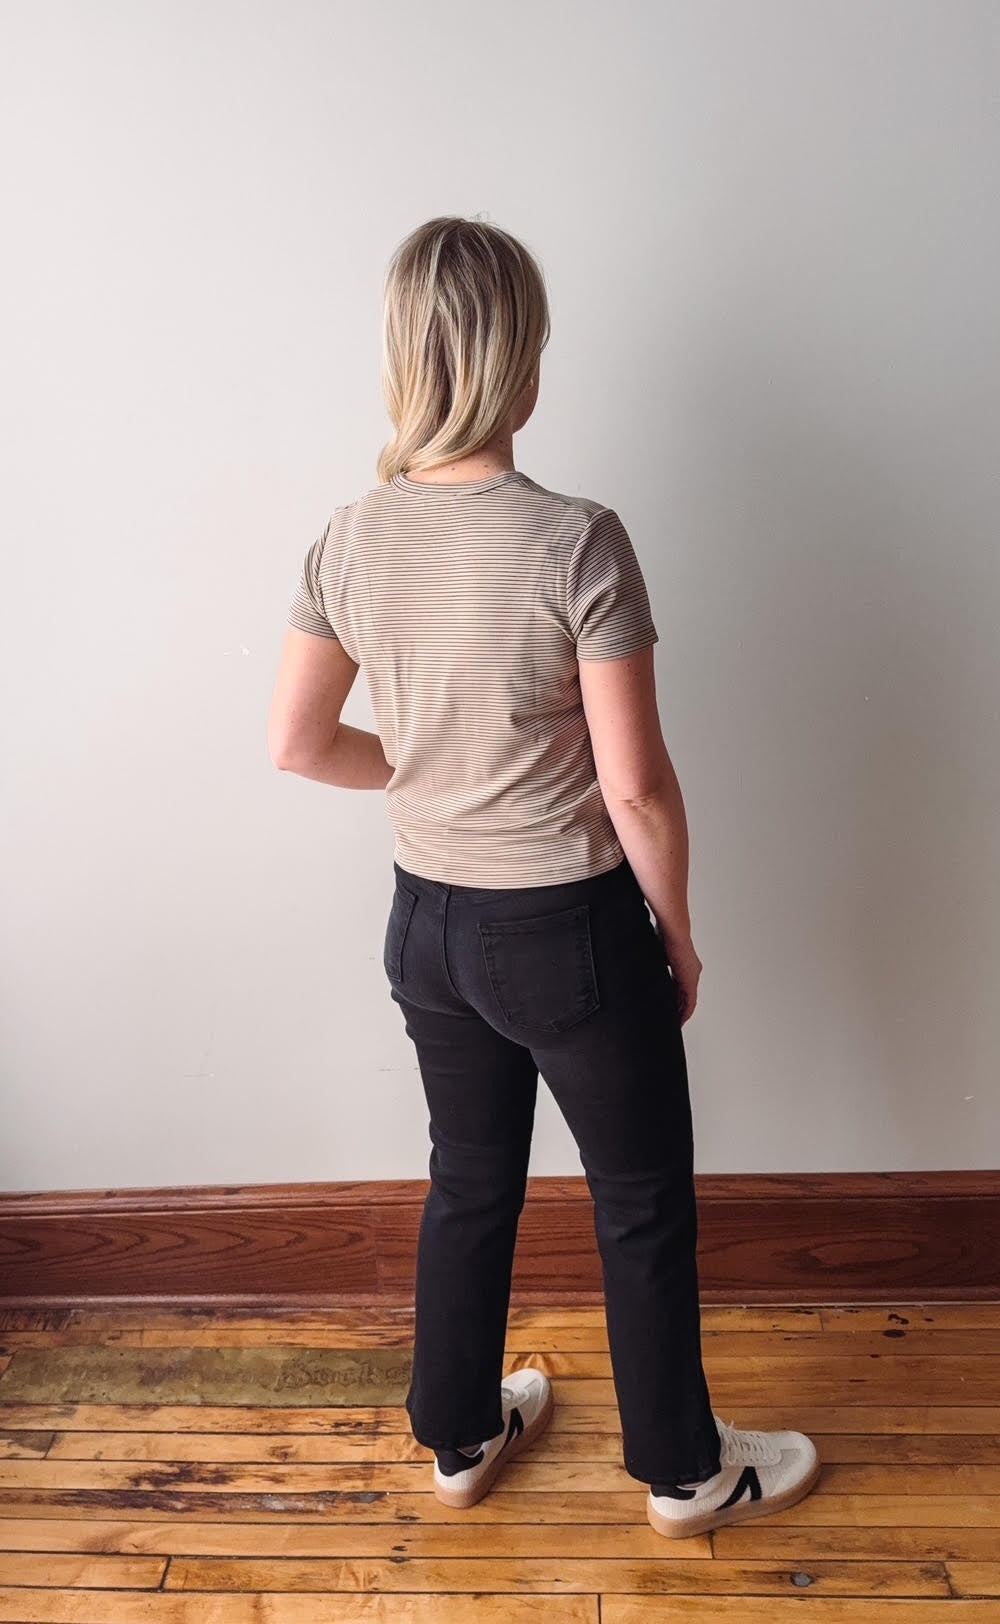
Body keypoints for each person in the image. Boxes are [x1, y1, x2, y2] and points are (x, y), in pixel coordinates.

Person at [268, 215, 821, 1538]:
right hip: (566, 934)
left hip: (427, 928)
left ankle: (460, 1433)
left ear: (408, 355)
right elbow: (634, 785)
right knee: (638, 1201)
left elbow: (297, 743)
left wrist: (434, 774)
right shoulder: (574, 540)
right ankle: (688, 1473)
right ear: (519, 359)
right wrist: (675, 933)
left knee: (470, 1180)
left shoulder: (349, 537)